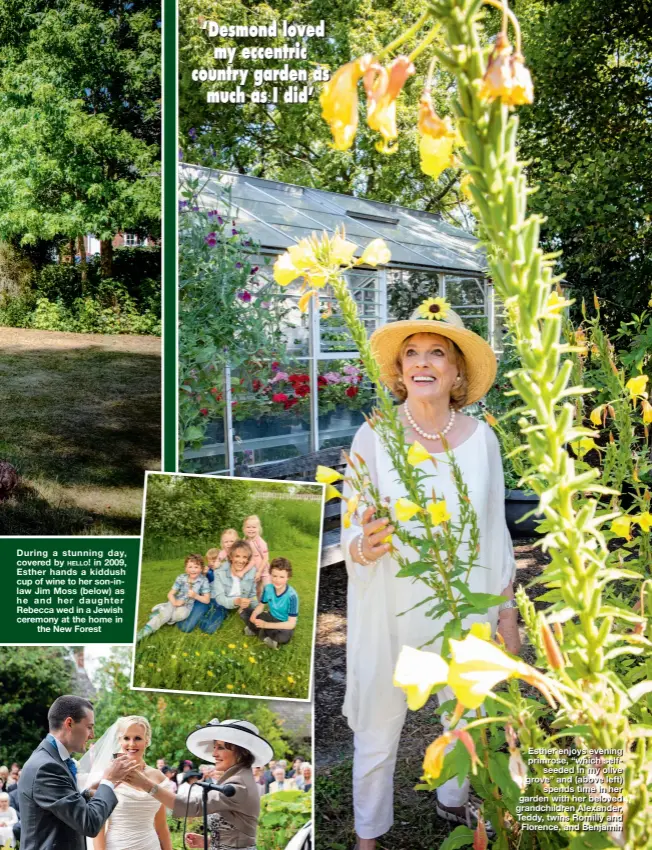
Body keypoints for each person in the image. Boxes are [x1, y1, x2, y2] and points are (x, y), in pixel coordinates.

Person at [341, 303, 519, 848]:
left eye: (436, 353)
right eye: (411, 354)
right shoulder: (373, 436)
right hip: (388, 603)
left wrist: (506, 618)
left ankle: (452, 799)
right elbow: (353, 529)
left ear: (458, 372)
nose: (422, 363)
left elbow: (494, 532)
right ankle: (368, 833)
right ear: (398, 372)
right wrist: (363, 547)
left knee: (464, 709)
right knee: (377, 719)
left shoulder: (483, 440)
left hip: (462, 598)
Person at [129, 719, 274, 850]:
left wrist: (145, 784)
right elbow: (237, 832)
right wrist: (210, 842)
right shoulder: (238, 777)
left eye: (221, 747)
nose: (214, 754)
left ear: (240, 752)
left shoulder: (238, 784)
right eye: (214, 747)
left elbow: (192, 806)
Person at [18, 695, 138, 850]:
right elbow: (90, 823)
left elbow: (62, 810)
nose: (92, 735)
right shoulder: (46, 767)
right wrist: (109, 781)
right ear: (69, 723)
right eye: (89, 727)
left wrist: (88, 794)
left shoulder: (53, 760)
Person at [78, 715, 172, 850]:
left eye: (138, 738)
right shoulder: (108, 777)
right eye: (126, 738)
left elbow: (161, 826)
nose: (132, 744)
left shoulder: (158, 778)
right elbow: (98, 830)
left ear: (147, 741)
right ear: (120, 741)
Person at [137, 554, 210, 642]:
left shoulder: (203, 581)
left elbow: (207, 600)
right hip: (175, 600)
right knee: (166, 614)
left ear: (201, 568)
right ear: (186, 569)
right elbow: (170, 594)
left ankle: (161, 609)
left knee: (181, 615)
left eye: (196, 567)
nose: (193, 570)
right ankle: (143, 632)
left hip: (187, 606)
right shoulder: (181, 578)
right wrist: (175, 602)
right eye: (190, 567)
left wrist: (195, 596)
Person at [240, 558, 298, 650]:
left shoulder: (292, 596)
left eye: (281, 577)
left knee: (284, 636)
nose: (277, 580)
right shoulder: (268, 588)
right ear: (270, 574)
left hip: (283, 623)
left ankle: (258, 631)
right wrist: (254, 616)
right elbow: (261, 605)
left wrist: (265, 625)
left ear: (288, 577)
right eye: (274, 576)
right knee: (244, 612)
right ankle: (265, 634)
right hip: (270, 616)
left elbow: (291, 624)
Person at [242, 515, 269, 598]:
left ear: (258, 529)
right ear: (244, 529)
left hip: (264, 571)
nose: (251, 529)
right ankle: (257, 604)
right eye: (248, 527)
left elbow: (266, 558)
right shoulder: (245, 541)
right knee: (257, 589)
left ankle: (274, 607)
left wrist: (259, 572)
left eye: (254, 527)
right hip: (252, 571)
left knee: (268, 589)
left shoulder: (261, 542)